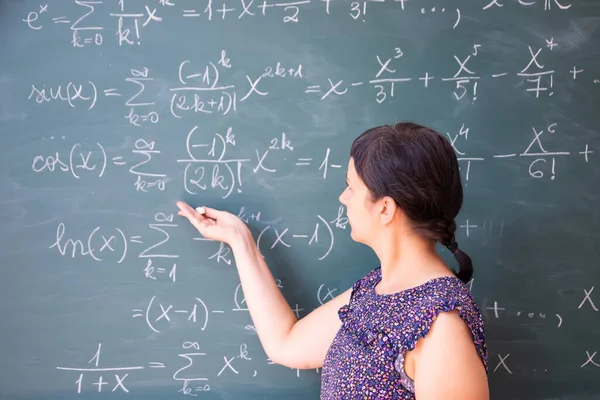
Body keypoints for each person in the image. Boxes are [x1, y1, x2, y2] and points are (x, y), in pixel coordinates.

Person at [176, 121, 489, 399]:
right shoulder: (375, 290)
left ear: (385, 209)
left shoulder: (441, 323)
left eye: (351, 188)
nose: (343, 198)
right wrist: (240, 241)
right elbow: (287, 343)